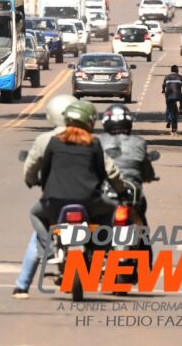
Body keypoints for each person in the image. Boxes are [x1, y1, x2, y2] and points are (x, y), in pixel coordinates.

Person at [18, 100, 126, 298]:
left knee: (35, 213)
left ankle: (49, 249)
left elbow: (47, 169)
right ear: (90, 122)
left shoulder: (53, 141)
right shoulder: (94, 143)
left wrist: (45, 186)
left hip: (55, 202)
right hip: (89, 201)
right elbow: (103, 173)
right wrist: (118, 192)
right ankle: (100, 248)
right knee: (110, 210)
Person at [99, 104, 157, 225]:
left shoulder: (98, 141)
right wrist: (149, 176)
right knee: (141, 220)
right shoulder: (139, 142)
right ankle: (144, 242)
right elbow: (146, 169)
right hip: (131, 192)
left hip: (104, 192)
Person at [162, 64, 182, 129]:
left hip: (169, 97)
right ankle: (181, 108)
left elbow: (163, 85)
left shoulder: (167, 77)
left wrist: (163, 91)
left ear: (171, 70)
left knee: (168, 107)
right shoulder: (180, 77)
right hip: (178, 96)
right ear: (177, 71)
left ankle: (168, 120)